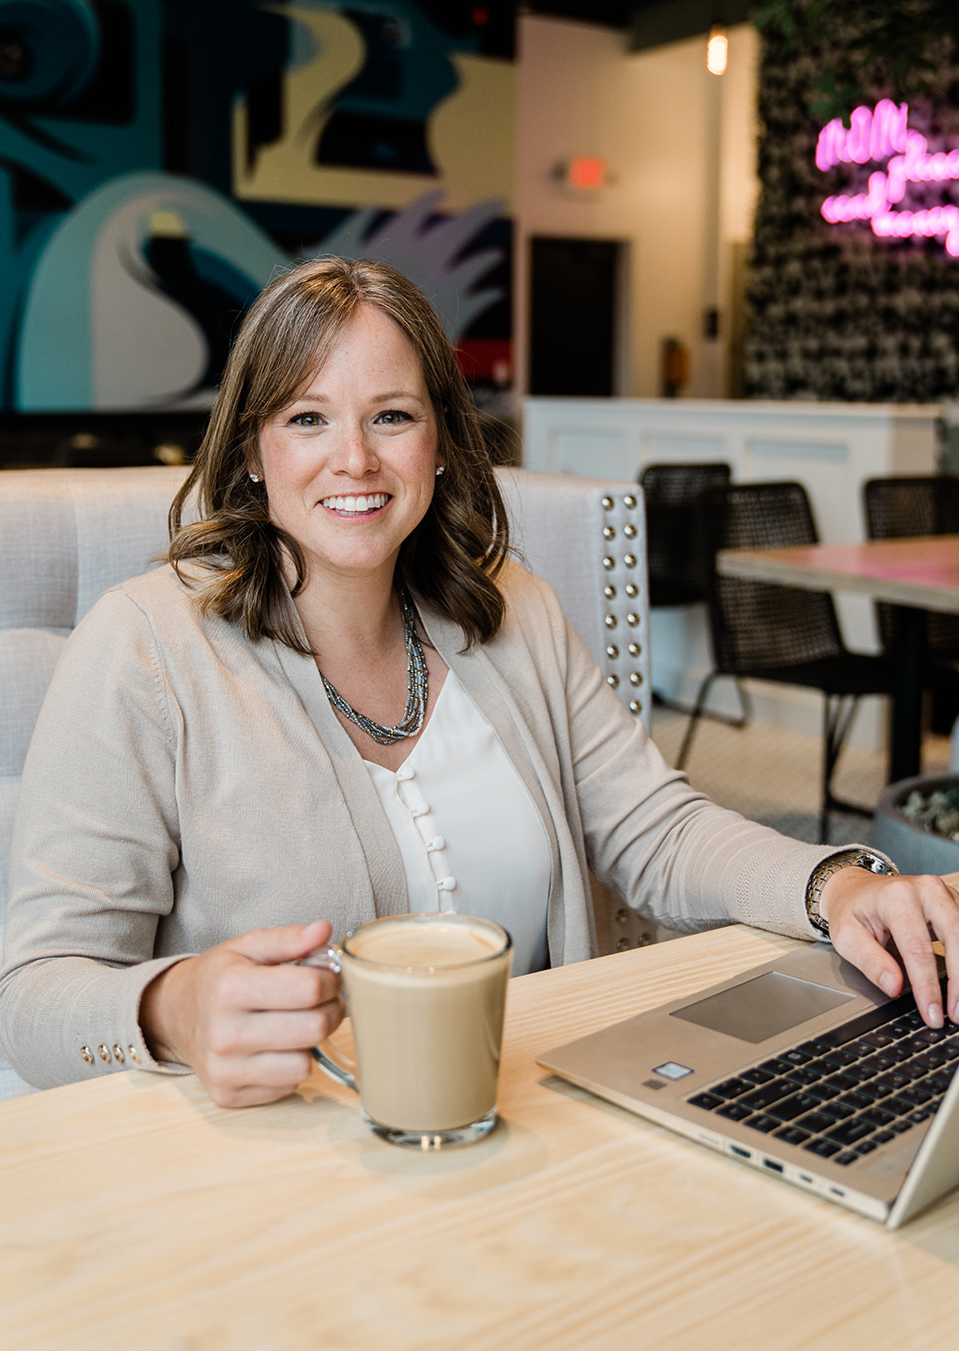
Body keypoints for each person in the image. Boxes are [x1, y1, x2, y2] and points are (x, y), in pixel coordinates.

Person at [2, 258, 958, 1110]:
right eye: (306, 418)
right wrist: (172, 1006)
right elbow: (33, 992)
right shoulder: (144, 648)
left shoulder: (513, 609)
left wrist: (832, 882)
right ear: (252, 452)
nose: (355, 460)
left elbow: (654, 831)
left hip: (539, 1119)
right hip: (279, 1166)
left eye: (392, 416)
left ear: (442, 440)